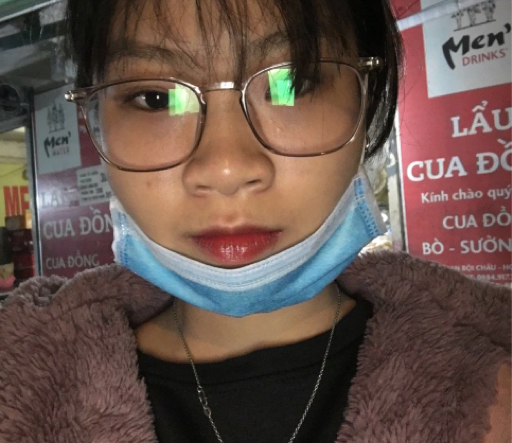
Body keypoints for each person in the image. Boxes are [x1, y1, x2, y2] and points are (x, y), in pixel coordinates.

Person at [0, 0, 510, 442]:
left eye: (294, 83)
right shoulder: (20, 387)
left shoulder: (494, 382)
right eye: (157, 98)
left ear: (368, 100)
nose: (225, 168)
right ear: (94, 117)